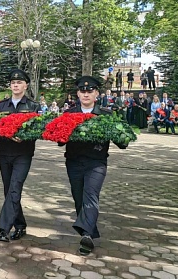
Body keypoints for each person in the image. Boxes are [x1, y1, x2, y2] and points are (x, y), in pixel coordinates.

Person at [61, 76, 127, 255]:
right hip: (74, 162)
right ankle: (89, 231)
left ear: (97, 93)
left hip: (96, 162)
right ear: (77, 93)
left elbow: (122, 142)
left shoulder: (105, 114)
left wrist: (121, 134)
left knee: (91, 194)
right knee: (78, 197)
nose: (86, 94)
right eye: (82, 91)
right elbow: (60, 141)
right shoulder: (69, 114)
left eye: (90, 91)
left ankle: (87, 237)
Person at [0, 69, 40, 242]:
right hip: (4, 152)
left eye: (19, 82)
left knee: (15, 187)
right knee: (9, 190)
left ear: (25, 85)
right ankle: (20, 225)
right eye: (13, 82)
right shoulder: (1, 106)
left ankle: (4, 228)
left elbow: (37, 130)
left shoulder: (33, 106)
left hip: (23, 153)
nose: (16, 85)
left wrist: (25, 137)